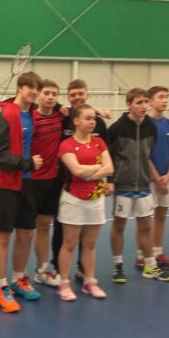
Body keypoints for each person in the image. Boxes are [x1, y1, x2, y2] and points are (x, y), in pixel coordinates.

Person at [0, 71, 44, 313]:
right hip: (3, 183)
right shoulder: (6, 113)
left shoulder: (31, 113)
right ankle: (1, 289)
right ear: (20, 88)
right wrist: (27, 163)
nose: (34, 92)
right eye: (30, 87)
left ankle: (19, 279)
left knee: (27, 233)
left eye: (37, 88)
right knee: (3, 237)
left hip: (25, 181)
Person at [106, 88, 169, 284]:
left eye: (146, 102)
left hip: (144, 184)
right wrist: (111, 180)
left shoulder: (151, 127)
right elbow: (109, 157)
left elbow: (149, 153)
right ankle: (118, 266)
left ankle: (150, 266)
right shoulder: (116, 129)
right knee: (119, 225)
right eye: (139, 102)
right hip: (123, 185)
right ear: (129, 104)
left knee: (146, 225)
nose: (144, 106)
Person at [51, 79, 109, 281]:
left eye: (80, 94)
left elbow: (108, 156)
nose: (77, 98)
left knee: (88, 231)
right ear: (68, 98)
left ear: (87, 95)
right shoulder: (63, 118)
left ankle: (83, 268)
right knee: (62, 229)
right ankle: (58, 269)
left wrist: (109, 179)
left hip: (93, 186)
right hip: (64, 184)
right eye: (73, 95)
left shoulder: (99, 123)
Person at [56, 104, 113, 301]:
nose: (92, 122)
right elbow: (77, 171)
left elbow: (110, 168)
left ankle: (90, 282)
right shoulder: (66, 145)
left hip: (96, 199)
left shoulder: (99, 142)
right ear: (76, 120)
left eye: (94, 118)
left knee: (90, 244)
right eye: (87, 118)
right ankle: (64, 283)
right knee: (69, 244)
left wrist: (89, 172)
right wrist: (98, 167)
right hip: (73, 200)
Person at [137, 86, 169, 271]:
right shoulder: (145, 124)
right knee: (144, 220)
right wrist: (156, 177)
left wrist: (168, 176)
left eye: (166, 97)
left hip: (166, 178)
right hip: (148, 180)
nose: (165, 100)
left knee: (161, 216)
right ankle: (141, 255)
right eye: (161, 97)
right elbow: (144, 154)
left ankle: (157, 252)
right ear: (151, 101)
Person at [29, 79, 65, 287]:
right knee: (26, 230)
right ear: (39, 95)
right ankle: (18, 274)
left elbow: (79, 110)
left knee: (44, 226)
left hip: (52, 181)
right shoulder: (31, 117)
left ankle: (42, 270)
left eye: (54, 94)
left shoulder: (61, 117)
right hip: (31, 181)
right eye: (47, 93)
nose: (50, 97)